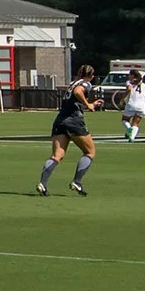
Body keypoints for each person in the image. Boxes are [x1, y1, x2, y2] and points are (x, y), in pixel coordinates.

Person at [38, 67, 99, 196]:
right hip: (74, 121)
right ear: (91, 75)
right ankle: (77, 181)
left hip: (60, 121)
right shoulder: (85, 83)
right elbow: (78, 92)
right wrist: (88, 105)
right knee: (90, 152)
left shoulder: (73, 83)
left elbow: (74, 94)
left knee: (57, 155)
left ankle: (42, 184)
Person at [120, 68, 145, 142]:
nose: (128, 76)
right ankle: (132, 138)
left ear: (132, 75)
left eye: (129, 75)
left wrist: (122, 99)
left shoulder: (129, 82)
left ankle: (129, 129)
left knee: (124, 120)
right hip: (141, 106)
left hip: (131, 104)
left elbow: (129, 89)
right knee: (135, 123)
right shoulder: (143, 85)